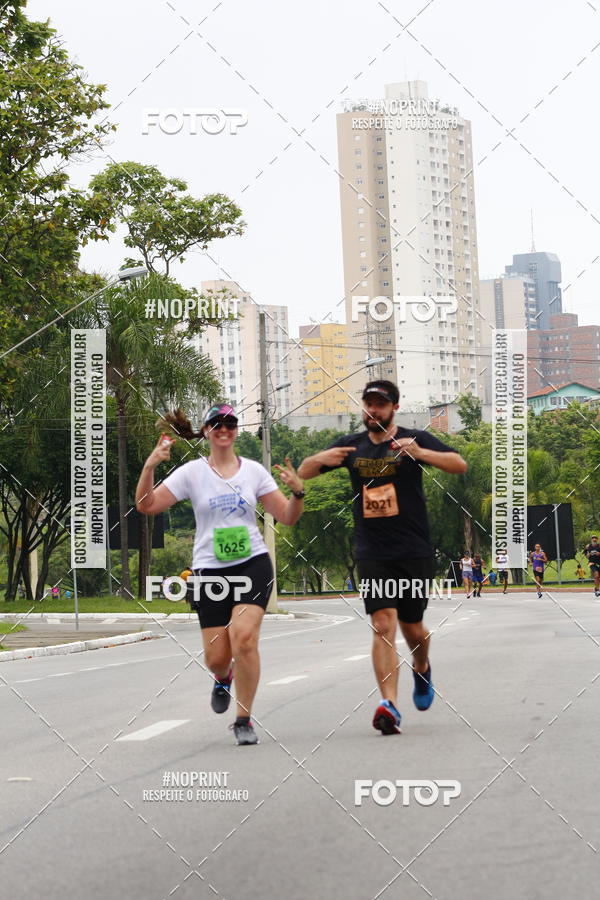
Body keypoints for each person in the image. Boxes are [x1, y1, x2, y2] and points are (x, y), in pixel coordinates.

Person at [297, 379, 467, 735]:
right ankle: (389, 704)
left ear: (394, 408)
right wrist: (318, 459)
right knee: (382, 624)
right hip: (372, 551)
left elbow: (458, 464)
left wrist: (420, 453)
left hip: (413, 550)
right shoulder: (352, 446)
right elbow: (303, 472)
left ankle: (422, 667)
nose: (373, 410)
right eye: (369, 403)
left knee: (412, 627)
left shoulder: (413, 439)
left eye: (380, 404)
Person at [135, 403, 305, 746]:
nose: (224, 429)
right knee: (216, 659)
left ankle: (243, 719)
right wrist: (150, 465)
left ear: (236, 430)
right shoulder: (192, 473)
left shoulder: (254, 472)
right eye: (217, 424)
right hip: (209, 571)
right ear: (206, 430)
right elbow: (146, 505)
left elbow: (287, 516)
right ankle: (223, 677)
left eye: (230, 423)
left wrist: (298, 492)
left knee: (245, 638)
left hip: (252, 564)